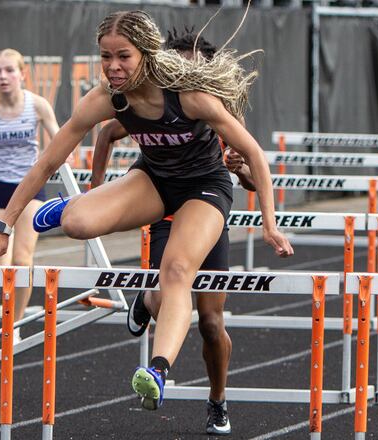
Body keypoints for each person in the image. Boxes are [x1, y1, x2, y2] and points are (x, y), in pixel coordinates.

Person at [0, 9, 292, 434]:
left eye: (122, 57)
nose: (112, 67)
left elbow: (255, 156)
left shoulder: (190, 95)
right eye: (105, 57)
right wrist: (4, 227)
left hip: (204, 189)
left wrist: (269, 224)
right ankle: (67, 210)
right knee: (76, 224)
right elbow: (49, 160)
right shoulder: (107, 99)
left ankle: (159, 370)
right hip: (154, 181)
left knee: (179, 274)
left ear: (146, 53)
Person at [91, 28, 254, 436]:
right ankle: (149, 301)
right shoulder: (153, 100)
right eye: (175, 67)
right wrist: (96, 189)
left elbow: (252, 177)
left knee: (211, 323)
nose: (182, 77)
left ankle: (217, 400)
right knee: (169, 294)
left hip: (206, 215)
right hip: (165, 210)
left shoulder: (217, 106)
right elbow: (107, 133)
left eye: (190, 68)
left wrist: (240, 169)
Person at [0, 49, 60, 333]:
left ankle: (14, 326)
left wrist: (56, 161)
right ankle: (9, 321)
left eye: (9, 70)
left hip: (29, 185)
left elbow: (60, 138)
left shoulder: (38, 105)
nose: (2, 77)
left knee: (22, 259)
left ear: (22, 74)